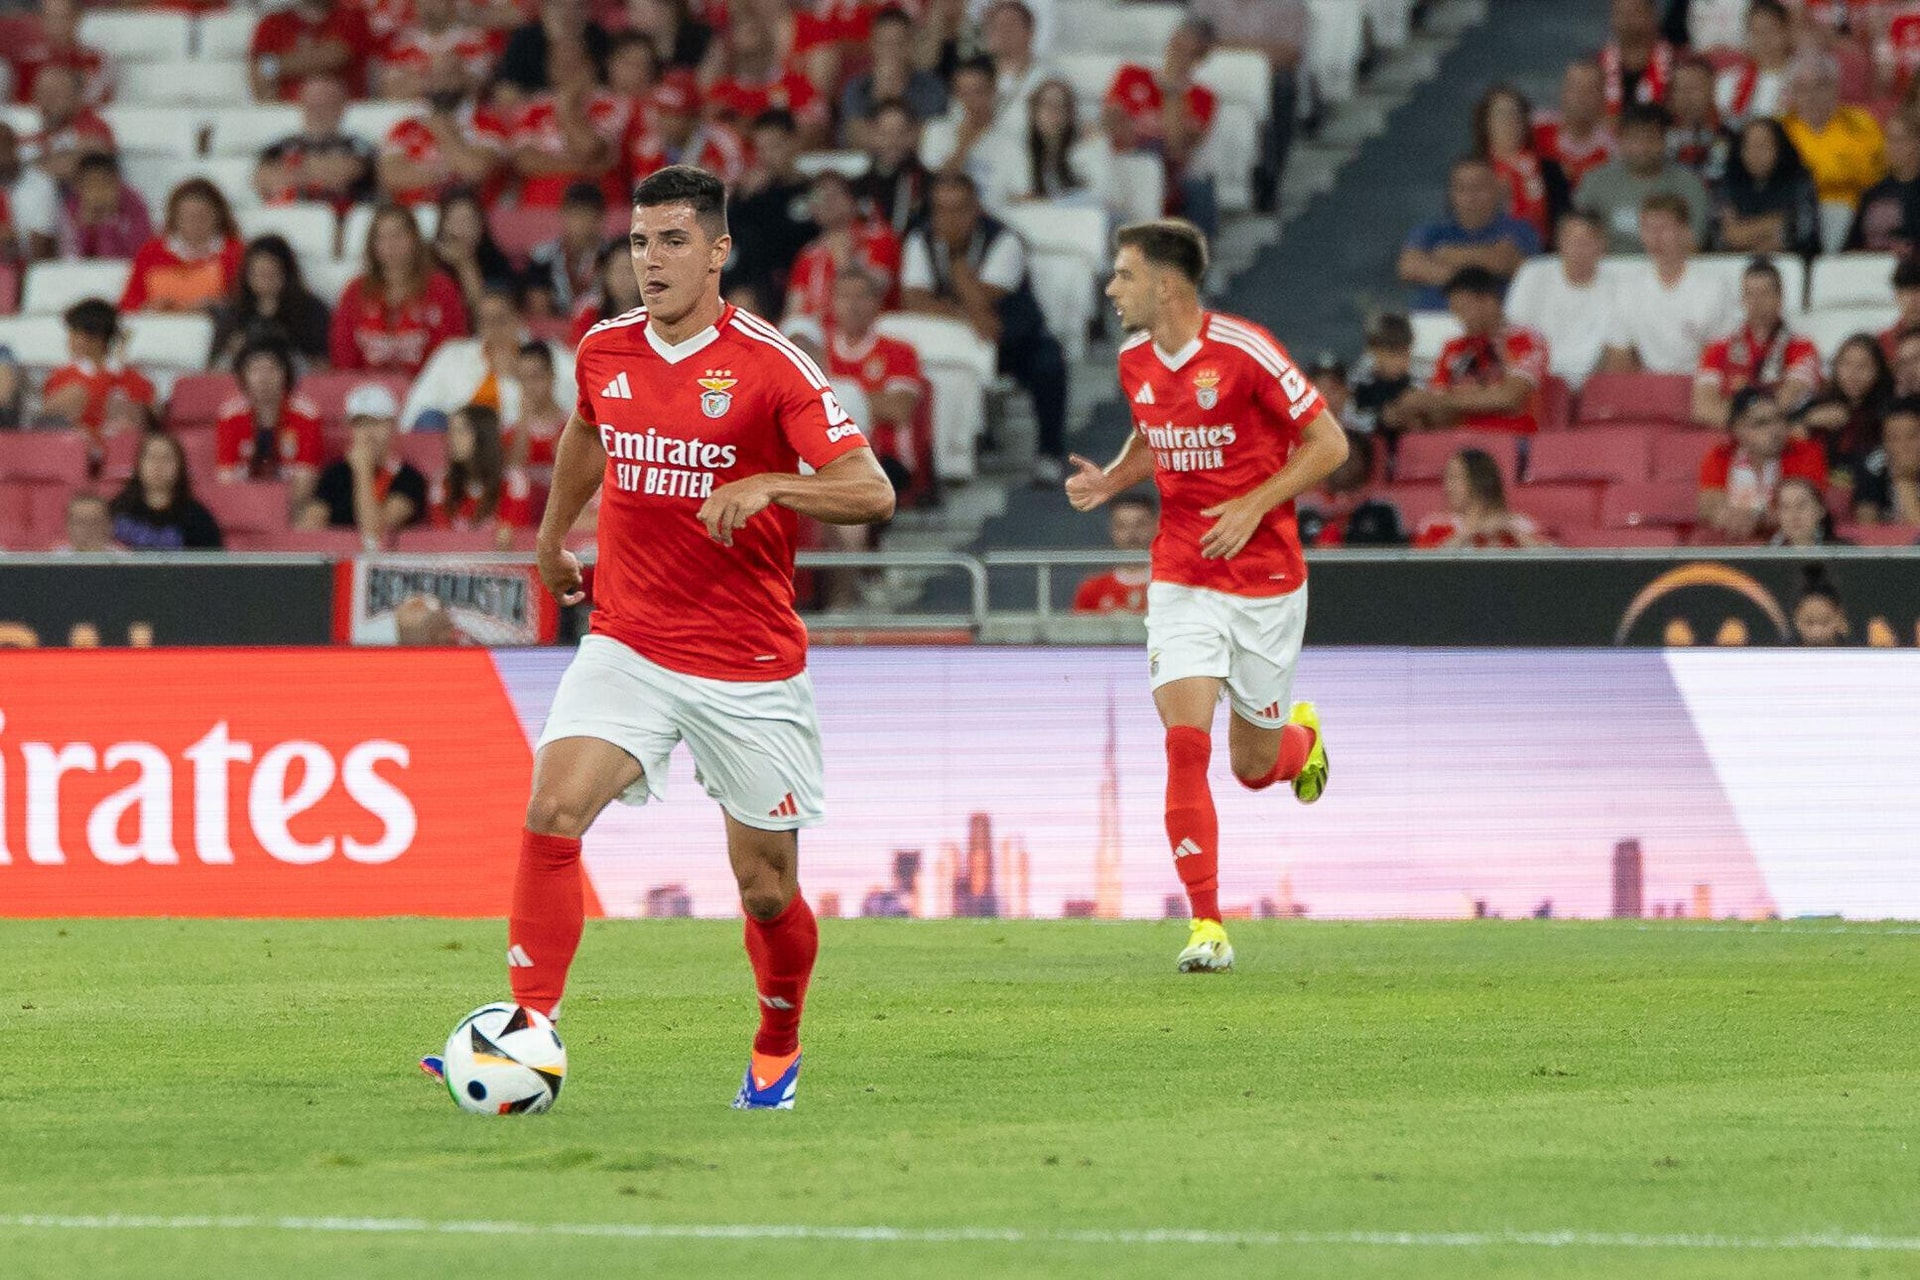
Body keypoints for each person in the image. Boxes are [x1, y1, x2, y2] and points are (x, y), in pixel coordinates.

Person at [412, 165, 892, 1112]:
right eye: (639, 242)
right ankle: (526, 1029)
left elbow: (870, 488)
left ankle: (776, 1040)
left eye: (674, 241)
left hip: (747, 662)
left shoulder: (772, 365)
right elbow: (588, 436)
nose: (652, 260)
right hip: (628, 639)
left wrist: (774, 485)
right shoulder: (603, 348)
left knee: (764, 890)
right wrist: (553, 540)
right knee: (551, 811)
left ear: (719, 251)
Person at [1065, 218, 1344, 973]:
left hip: (1264, 580)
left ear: (1166, 283)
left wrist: (1255, 503)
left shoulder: (1245, 351)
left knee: (1253, 766)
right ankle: (1207, 925)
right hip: (1184, 571)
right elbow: (1156, 433)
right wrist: (1111, 481)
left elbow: (1331, 445)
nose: (1111, 289)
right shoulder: (1132, 361)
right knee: (1183, 743)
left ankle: (1302, 745)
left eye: (1123, 275)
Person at [901, 171, 1069, 483]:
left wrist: (954, 260)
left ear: (976, 209)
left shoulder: (1004, 240)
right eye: (941, 210)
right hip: (962, 336)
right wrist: (965, 316)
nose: (948, 219)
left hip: (1012, 339)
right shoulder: (919, 239)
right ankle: (945, 454)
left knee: (1049, 362)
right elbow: (913, 300)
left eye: (958, 210)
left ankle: (1049, 451)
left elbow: (984, 301)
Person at [1387, 267, 1550, 435]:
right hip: (1456, 446)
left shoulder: (1526, 339)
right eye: (1456, 311)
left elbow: (1509, 398)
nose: (1460, 318)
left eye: (1464, 309)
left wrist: (1442, 400)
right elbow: (1440, 413)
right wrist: (1413, 409)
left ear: (1489, 301)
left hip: (1513, 441)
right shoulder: (1454, 349)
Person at [1103, 19, 1220, 235]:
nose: (1178, 54)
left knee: (1189, 179)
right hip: (1121, 163)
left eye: (1188, 51)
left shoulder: (1203, 97)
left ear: (1200, 58)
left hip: (1170, 175)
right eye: (1176, 44)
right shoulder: (1131, 74)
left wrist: (1172, 93)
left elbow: (1177, 150)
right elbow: (1112, 126)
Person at [1602, 193, 1739, 376]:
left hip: (1698, 386)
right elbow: (1618, 353)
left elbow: (1723, 353)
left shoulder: (1713, 287)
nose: (1656, 237)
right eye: (1649, 228)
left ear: (1685, 232)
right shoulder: (1628, 289)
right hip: (1648, 389)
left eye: (1664, 228)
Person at [402, 285, 573, 428]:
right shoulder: (453, 353)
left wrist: (517, 378)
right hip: (458, 439)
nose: (493, 329)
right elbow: (419, 403)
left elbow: (574, 400)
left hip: (513, 437)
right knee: (429, 418)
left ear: (518, 319)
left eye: (500, 319)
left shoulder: (547, 353)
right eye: (485, 321)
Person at [1189, 0, 1304, 212]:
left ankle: (1268, 179)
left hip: (1269, 73)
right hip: (1212, 71)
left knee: (1283, 86)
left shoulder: (1289, 4)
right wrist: (1254, 51)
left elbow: (1290, 54)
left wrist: (1238, 55)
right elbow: (1193, 42)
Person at [331, 202, 470, 376]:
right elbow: (343, 354)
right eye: (381, 237)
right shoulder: (355, 291)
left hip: (427, 391)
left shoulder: (441, 287)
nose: (390, 245)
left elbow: (454, 349)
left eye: (397, 235)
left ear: (414, 238)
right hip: (367, 392)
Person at [823, 267, 928, 494]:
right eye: (844, 297)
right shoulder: (819, 352)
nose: (852, 306)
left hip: (888, 460)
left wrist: (836, 399)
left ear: (876, 303)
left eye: (861, 297)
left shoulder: (899, 351)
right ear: (832, 303)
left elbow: (899, 409)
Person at [1397, 157, 1541, 311]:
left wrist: (1447, 255)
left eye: (1479, 187)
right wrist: (1475, 279)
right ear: (1451, 194)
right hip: (1433, 323)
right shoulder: (1431, 230)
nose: (1470, 196)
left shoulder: (1519, 228)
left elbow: (1505, 261)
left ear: (1496, 190)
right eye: (1462, 189)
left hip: (1497, 326)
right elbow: (1409, 267)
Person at [1692, 258, 1821, 427]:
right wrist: (1748, 428)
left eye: (1764, 293)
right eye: (1749, 293)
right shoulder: (1718, 347)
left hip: (1778, 440)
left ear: (1779, 297)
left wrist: (1750, 425)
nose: (1756, 302)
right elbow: (1703, 408)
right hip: (1731, 437)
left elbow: (1789, 396)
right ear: (1742, 299)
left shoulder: (1802, 347)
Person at [298, 381, 429, 546]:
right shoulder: (336, 473)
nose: (367, 433)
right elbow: (309, 527)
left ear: (393, 426)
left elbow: (373, 535)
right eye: (360, 424)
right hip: (339, 561)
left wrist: (362, 471)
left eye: (376, 423)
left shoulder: (410, 478)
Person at [1697, 386, 1830, 541]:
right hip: (1732, 547)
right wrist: (1724, 515)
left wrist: (1756, 518)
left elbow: (1803, 509)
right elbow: (1709, 507)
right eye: (1761, 423)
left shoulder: (1806, 452)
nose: (1775, 429)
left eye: (1779, 418)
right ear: (1737, 430)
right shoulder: (1721, 456)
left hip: (1787, 548)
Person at [377, 51, 508, 207]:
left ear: (465, 78)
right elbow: (390, 177)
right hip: (414, 216)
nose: (441, 83)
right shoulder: (406, 126)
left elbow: (475, 171)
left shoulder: (488, 122)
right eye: (434, 76)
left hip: (468, 216)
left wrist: (443, 133)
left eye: (449, 75)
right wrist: (449, 170)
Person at [1577, 103, 1713, 252]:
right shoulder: (1595, 181)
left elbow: (1695, 242)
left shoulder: (1689, 184)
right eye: (1634, 138)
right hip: (1607, 270)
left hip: (1668, 270)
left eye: (1650, 138)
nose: (1642, 147)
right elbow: (1579, 237)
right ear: (1620, 141)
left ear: (1664, 140)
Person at [1505, 208, 1617, 389]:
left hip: (1592, 383)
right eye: (1571, 240)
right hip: (1536, 379)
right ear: (1559, 242)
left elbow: (1614, 346)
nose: (1578, 249)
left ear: (1602, 245)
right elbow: (1515, 330)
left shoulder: (1616, 287)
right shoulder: (1533, 273)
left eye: (1586, 241)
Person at [724, 110, 819, 319]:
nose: (768, 155)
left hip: (804, 288)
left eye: (776, 146)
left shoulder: (813, 193)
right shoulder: (748, 199)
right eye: (761, 149)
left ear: (794, 143)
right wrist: (742, 199)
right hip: (759, 287)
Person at [213, 340, 325, 513]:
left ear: (285, 374)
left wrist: (275, 514)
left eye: (271, 369)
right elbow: (226, 477)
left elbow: (306, 479)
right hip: (243, 505)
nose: (263, 377)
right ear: (244, 376)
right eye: (255, 369)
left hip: (293, 507)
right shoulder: (230, 415)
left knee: (314, 514)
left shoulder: (306, 414)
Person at [783, 170, 902, 322]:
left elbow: (879, 289)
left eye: (834, 195)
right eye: (819, 197)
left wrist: (843, 258)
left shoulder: (879, 237)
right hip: (817, 335)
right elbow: (794, 310)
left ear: (852, 200)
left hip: (871, 327)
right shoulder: (808, 254)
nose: (827, 202)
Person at [42, 298, 154, 452]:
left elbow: (147, 422)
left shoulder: (134, 380)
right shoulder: (61, 378)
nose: (69, 340)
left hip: (121, 455)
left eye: (74, 333)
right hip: (73, 453)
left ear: (97, 338)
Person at [119, 179, 244, 314]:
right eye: (187, 216)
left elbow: (247, 303)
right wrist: (149, 307)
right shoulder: (151, 252)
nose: (195, 223)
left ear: (218, 216)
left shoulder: (236, 252)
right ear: (174, 218)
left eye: (202, 216)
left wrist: (217, 306)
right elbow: (128, 305)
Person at [211, 235, 334, 370]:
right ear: (246, 275)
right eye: (258, 274)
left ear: (286, 273)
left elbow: (324, 366)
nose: (265, 281)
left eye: (272, 273)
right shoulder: (233, 313)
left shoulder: (312, 310)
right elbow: (214, 370)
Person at [254, 74, 375, 210]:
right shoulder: (281, 146)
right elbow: (262, 180)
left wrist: (290, 170)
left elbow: (345, 172)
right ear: (301, 105)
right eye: (313, 105)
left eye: (326, 105)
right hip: (289, 216)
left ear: (342, 107)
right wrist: (320, 172)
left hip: (342, 220)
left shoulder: (358, 145)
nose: (318, 113)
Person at [1783, 52, 1885, 211]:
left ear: (1835, 87)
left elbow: (1881, 178)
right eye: (1802, 88)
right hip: (1798, 215)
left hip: (1856, 214)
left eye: (1820, 86)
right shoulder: (1780, 130)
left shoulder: (1862, 123)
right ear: (1791, 93)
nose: (1811, 95)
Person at [922, 57, 1022, 214]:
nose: (970, 101)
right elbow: (936, 190)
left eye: (978, 92)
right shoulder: (936, 131)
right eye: (963, 93)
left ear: (993, 91)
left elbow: (1022, 197)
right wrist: (963, 145)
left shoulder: (1011, 143)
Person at [428, 403, 535, 548]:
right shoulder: (441, 482)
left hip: (503, 567)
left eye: (461, 431)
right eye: (450, 431)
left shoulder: (514, 481)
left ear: (484, 435)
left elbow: (506, 542)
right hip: (454, 567)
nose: (451, 439)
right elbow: (444, 541)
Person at [1713, 116, 1822, 256]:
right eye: (1748, 146)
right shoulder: (1728, 182)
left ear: (1779, 147)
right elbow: (1723, 238)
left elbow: (1803, 232)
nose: (1755, 153)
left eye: (1763, 145)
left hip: (1794, 264)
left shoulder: (1799, 181)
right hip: (1733, 266)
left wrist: (1744, 234)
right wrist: (1773, 223)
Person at [839, 6, 947, 147]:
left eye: (899, 43)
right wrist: (881, 89)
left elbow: (930, 136)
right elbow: (856, 137)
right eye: (884, 43)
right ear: (873, 45)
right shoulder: (857, 87)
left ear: (910, 45)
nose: (891, 50)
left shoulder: (931, 87)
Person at [1473, 85, 1568, 244]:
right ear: (1485, 123)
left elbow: (1564, 222)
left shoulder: (1550, 170)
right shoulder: (1474, 169)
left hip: (1541, 257)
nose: (1510, 122)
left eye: (1517, 114)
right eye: (1502, 115)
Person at [625, 71, 749, 190]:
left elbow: (731, 195)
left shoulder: (724, 143)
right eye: (662, 113)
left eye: (673, 115)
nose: (664, 122)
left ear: (693, 118)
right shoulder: (647, 148)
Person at [1411, 448, 1551, 548]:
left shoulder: (1520, 524)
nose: (1447, 487)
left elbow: (1551, 564)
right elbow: (1422, 569)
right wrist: (1470, 533)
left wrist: (1515, 534)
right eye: (1446, 478)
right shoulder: (1434, 525)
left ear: (1480, 480)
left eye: (1455, 477)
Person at [108, 431, 224, 550]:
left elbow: (212, 563)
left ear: (180, 467)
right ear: (139, 465)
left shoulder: (198, 519)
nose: (158, 465)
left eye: (166, 458)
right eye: (151, 457)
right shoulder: (117, 509)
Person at [1802, 332, 1893, 479]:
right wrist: (1809, 421)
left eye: (1863, 366)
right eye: (1846, 363)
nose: (1852, 373)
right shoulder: (1819, 403)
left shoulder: (1888, 411)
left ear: (1878, 370)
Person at [1296, 427, 1405, 547]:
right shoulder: (1303, 513)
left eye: (1349, 456)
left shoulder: (1383, 511)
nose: (1342, 462)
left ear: (1366, 464)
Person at [249, 0, 377, 101]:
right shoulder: (272, 24)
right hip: (286, 116)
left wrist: (273, 65)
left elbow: (331, 57)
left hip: (343, 119)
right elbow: (258, 75)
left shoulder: (354, 18)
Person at [432, 186, 521, 318]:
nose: (462, 229)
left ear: (481, 225)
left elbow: (485, 316)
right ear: (443, 225)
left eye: (468, 220)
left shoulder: (496, 262)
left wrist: (465, 265)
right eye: (455, 220)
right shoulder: (429, 263)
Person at [21, 64, 113, 188]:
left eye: (55, 94)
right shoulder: (36, 136)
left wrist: (26, 165)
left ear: (76, 97)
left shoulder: (93, 126)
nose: (46, 101)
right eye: (41, 93)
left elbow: (84, 164)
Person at [527, 182, 610, 317]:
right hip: (555, 330)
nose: (581, 223)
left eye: (587, 215)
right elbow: (539, 308)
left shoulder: (612, 256)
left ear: (600, 218)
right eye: (575, 215)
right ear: (563, 214)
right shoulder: (542, 257)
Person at [10, 0, 111, 108]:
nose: (55, 24)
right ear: (41, 19)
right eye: (49, 17)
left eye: (62, 17)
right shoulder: (26, 61)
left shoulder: (94, 60)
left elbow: (98, 104)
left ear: (76, 17)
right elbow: (19, 107)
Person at [855, 98, 932, 237]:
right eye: (885, 133)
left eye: (900, 133)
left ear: (913, 134)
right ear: (872, 134)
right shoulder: (856, 186)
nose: (893, 141)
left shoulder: (929, 184)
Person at [1846, 110, 1920, 253]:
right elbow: (1851, 247)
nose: (1891, 147)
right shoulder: (1872, 193)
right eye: (1888, 139)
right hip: (1870, 267)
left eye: (1899, 140)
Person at [1532, 61, 1616, 187]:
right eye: (1575, 87)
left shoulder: (1612, 150)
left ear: (1602, 97)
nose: (1582, 96)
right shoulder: (1534, 127)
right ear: (1563, 92)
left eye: (1590, 89)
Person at [55, 152, 149, 261]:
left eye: (106, 183)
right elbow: (70, 260)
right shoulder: (71, 210)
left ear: (117, 182)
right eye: (91, 184)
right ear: (78, 187)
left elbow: (141, 254)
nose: (99, 191)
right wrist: (86, 229)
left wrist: (108, 223)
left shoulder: (134, 205)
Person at [1072, 491, 1155, 613]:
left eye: (1140, 524)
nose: (1132, 534)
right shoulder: (1092, 589)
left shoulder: (1174, 586)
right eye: (1122, 526)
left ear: (1154, 527)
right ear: (1112, 530)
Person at [1716, 0, 1792, 126]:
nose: (1764, 40)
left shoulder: (1802, 79)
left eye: (1771, 30)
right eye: (1756, 32)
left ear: (1786, 32)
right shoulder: (1730, 80)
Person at [1665, 54, 1732, 181]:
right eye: (1680, 88)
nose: (1686, 95)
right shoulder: (1659, 131)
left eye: (1694, 88)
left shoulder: (1732, 131)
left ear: (1712, 89)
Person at [1853, 396, 1920, 523]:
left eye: (1912, 436)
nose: (1903, 445)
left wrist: (1903, 481)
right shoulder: (1874, 466)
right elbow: (1866, 525)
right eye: (1893, 438)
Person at [506, 340, 568, 476]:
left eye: (535, 377)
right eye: (523, 379)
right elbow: (513, 475)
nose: (529, 387)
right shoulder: (510, 431)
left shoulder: (573, 426)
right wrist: (524, 421)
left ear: (551, 375)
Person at [1600, 0, 1675, 114]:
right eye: (1621, 13)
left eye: (1635, 12)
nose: (1627, 20)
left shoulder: (1675, 63)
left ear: (1652, 16)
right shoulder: (1598, 65)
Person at [1347, 313, 1414, 439]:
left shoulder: (1410, 383)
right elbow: (1348, 418)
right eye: (1393, 355)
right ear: (1374, 352)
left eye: (1406, 355)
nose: (1401, 362)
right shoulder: (1359, 384)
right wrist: (1380, 418)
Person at [0, 122, 57, 264]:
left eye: (4, 146)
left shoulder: (41, 183)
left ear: (14, 147)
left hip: (29, 267)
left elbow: (42, 243)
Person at [1769, 475, 1846, 547]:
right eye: (1785, 507)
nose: (1794, 514)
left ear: (1820, 510)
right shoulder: (1763, 554)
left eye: (1801, 505)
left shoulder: (1846, 552)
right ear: (1777, 514)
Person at [1790, 564, 1850, 645]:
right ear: (1796, 620)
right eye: (1809, 623)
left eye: (1825, 622)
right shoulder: (1782, 654)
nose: (1817, 633)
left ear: (1840, 618)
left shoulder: (1857, 653)